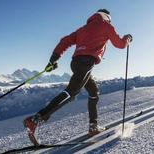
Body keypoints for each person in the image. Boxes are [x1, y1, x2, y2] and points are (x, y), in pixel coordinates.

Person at [23, 8, 132, 145]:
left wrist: (53, 59)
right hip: (86, 63)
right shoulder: (106, 26)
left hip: (75, 63)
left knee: (93, 92)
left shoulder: (83, 29)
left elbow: (65, 41)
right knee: (71, 93)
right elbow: (120, 44)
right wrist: (128, 38)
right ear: (107, 18)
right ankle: (36, 119)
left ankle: (93, 127)